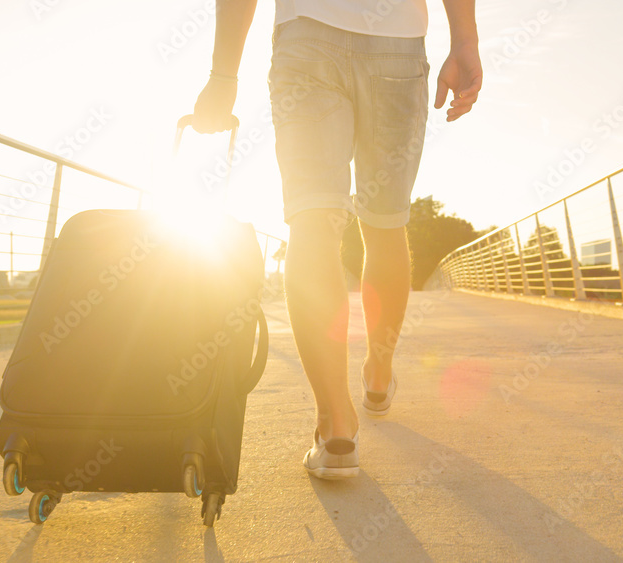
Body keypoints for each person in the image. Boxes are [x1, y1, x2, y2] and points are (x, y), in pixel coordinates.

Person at [192, 0, 482, 479]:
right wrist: (465, 41)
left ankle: (335, 427)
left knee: (312, 223)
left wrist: (224, 75)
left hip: (306, 38)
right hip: (398, 43)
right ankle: (379, 373)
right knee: (386, 224)